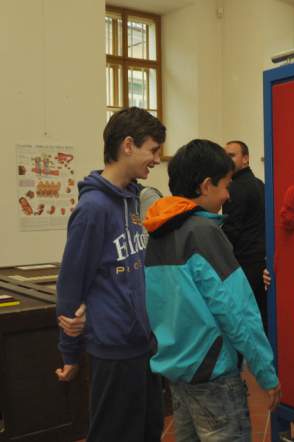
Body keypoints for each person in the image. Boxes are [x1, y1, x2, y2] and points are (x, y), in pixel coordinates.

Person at [143, 139, 281, 442]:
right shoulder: (203, 233)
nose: (228, 195)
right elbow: (237, 311)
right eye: (225, 185)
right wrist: (265, 372)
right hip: (212, 373)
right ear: (206, 186)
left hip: (178, 369)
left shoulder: (158, 232)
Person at [55, 107, 166, 442]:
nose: (157, 159)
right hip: (115, 347)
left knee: (149, 430)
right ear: (128, 145)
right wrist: (70, 352)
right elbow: (71, 284)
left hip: (143, 344)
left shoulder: (133, 199)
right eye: (153, 150)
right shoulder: (92, 208)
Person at [222, 140, 268, 332]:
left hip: (244, 265)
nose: (227, 160)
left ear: (246, 159)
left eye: (232, 155)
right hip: (262, 264)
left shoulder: (233, 188)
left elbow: (231, 230)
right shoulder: (260, 185)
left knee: (243, 323)